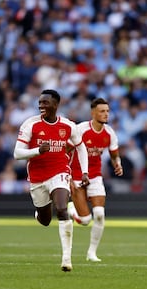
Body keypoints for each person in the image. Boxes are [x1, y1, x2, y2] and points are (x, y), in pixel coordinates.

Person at [13, 89, 90, 272]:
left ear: (56, 105)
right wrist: (37, 151)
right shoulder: (30, 125)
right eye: (40, 103)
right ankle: (40, 214)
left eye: (45, 103)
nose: (41, 106)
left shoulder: (68, 126)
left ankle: (66, 259)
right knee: (45, 220)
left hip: (60, 171)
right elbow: (17, 153)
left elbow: (81, 147)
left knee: (62, 209)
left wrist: (85, 172)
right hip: (37, 177)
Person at [67, 98, 123, 262]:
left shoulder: (109, 133)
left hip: (95, 176)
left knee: (99, 213)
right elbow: (65, 151)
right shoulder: (81, 130)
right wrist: (67, 174)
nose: (106, 114)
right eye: (102, 111)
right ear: (93, 113)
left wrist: (117, 164)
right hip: (76, 175)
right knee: (85, 221)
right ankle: (72, 210)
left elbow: (114, 155)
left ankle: (92, 253)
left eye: (107, 111)